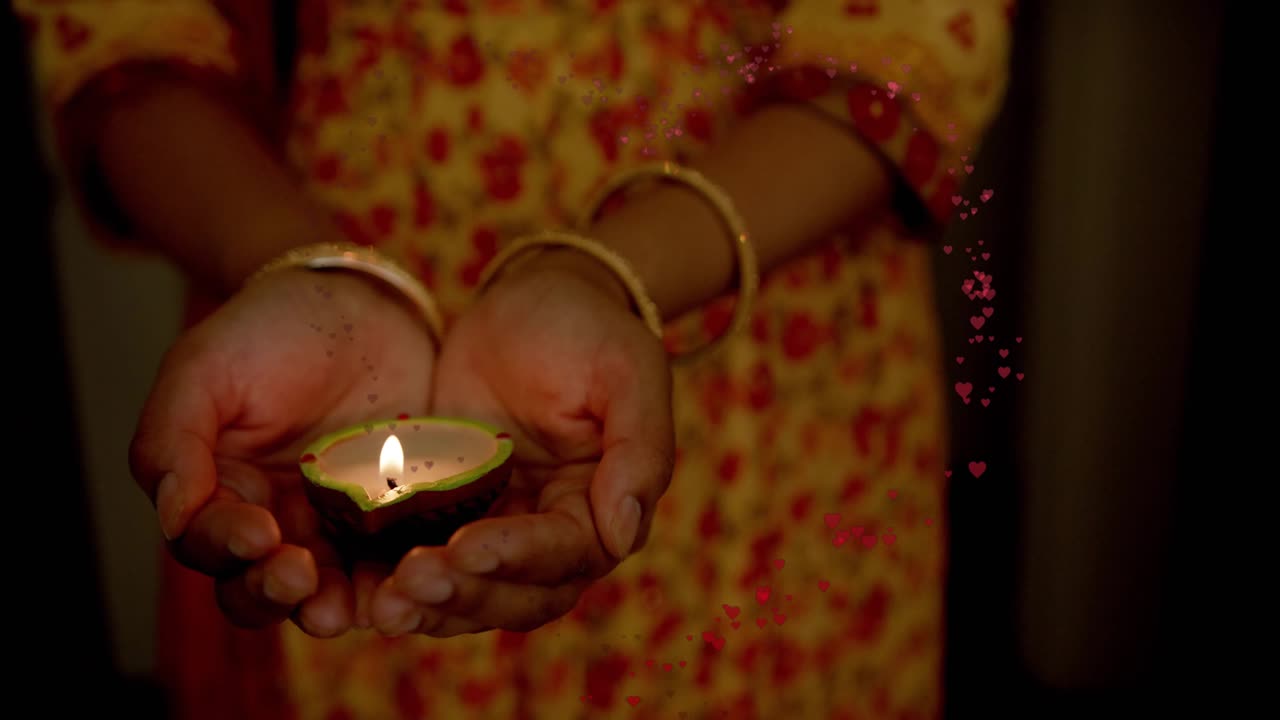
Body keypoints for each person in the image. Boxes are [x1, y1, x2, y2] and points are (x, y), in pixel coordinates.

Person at [16, 1, 1012, 718]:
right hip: (323, 356)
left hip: (760, 361)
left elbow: (912, 39)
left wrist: (611, 274)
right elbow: (123, 30)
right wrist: (302, 268)